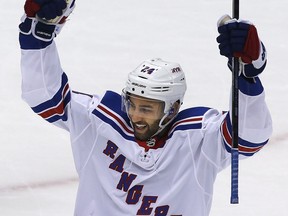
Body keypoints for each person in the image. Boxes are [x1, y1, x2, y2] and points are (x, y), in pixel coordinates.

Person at [18, 0, 272, 215]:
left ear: (172, 109)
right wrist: (39, 31)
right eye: (132, 104)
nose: (136, 116)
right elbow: (44, 97)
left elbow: (249, 137)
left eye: (147, 109)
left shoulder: (197, 139)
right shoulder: (102, 122)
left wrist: (247, 74)